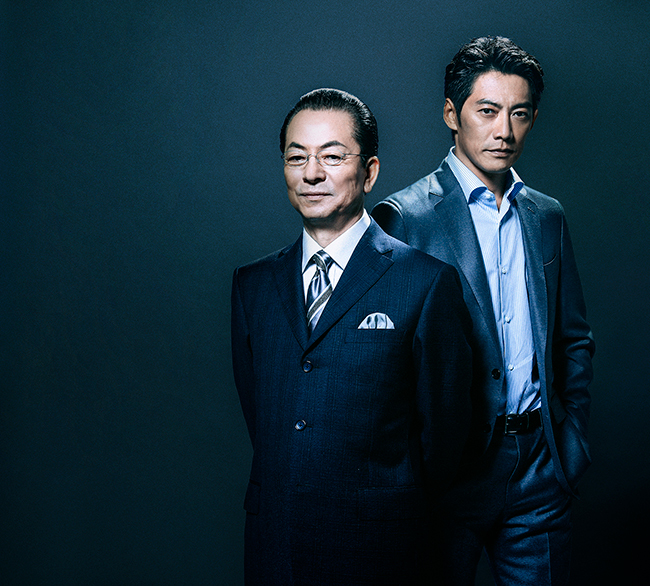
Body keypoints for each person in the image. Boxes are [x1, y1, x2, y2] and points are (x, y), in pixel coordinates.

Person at [372, 36, 595, 585]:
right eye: (488, 111)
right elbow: (384, 367)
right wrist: (415, 472)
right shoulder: (404, 218)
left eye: (520, 114)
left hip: (539, 468)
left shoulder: (546, 216)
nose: (504, 131)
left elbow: (573, 337)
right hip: (448, 473)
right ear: (453, 114)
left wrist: (571, 444)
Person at [231, 88, 473, 585]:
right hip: (275, 545)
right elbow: (263, 416)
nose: (312, 173)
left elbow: (445, 438)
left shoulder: (425, 283)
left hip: (380, 548)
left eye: (332, 156)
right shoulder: (252, 286)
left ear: (369, 171)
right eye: (297, 157)